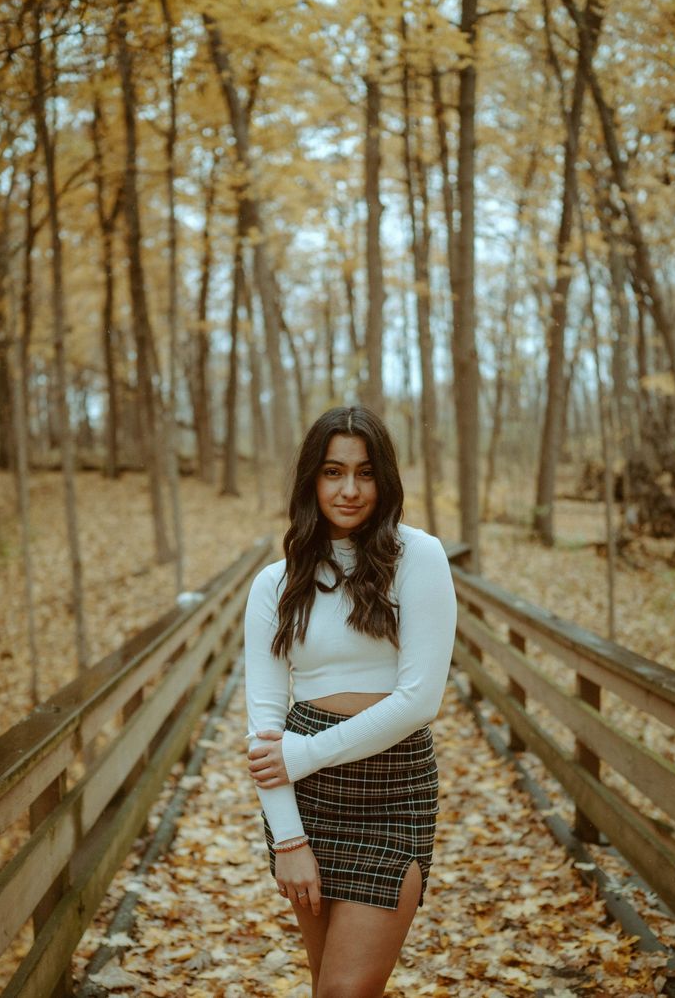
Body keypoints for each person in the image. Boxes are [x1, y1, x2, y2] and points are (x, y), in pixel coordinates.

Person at [244, 405, 457, 998]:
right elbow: (263, 729)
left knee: (344, 989)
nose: (349, 489)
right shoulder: (274, 584)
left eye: (365, 474)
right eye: (334, 471)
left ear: (384, 480)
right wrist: (288, 840)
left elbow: (419, 700)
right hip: (307, 806)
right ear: (311, 478)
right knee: (327, 989)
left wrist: (304, 754)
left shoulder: (419, 558)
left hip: (391, 790)